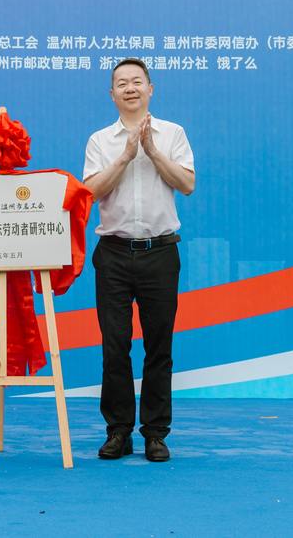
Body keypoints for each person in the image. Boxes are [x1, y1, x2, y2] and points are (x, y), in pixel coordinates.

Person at [82, 58, 194, 462]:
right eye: (121, 84)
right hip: (113, 253)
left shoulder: (173, 133)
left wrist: (152, 152)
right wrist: (126, 155)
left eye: (136, 82)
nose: (130, 88)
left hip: (160, 252)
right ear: (112, 94)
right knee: (114, 347)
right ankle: (118, 431)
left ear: (150, 89)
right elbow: (91, 192)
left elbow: (187, 183)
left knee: (159, 346)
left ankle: (156, 433)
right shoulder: (100, 140)